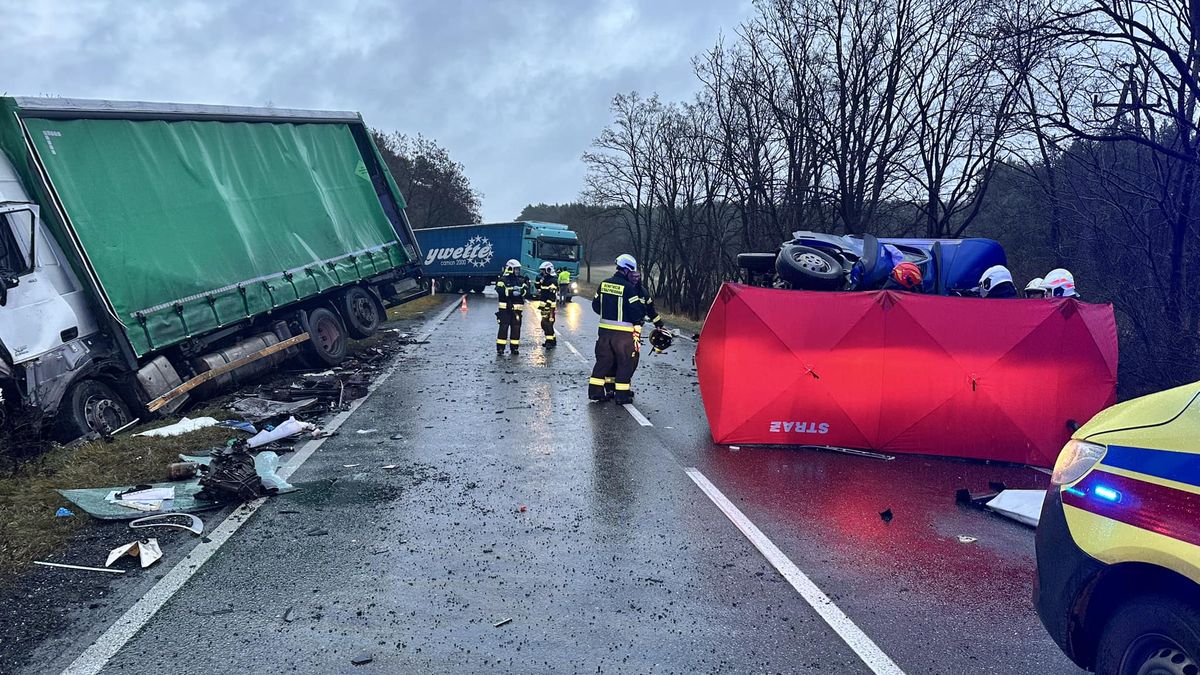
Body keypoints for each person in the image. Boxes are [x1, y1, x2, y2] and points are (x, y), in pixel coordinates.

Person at [588, 254, 663, 403]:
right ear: (627, 270)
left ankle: (596, 393)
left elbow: (595, 306)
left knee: (603, 362)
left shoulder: (604, 284)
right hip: (623, 335)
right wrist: (638, 321)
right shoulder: (629, 288)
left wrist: (609, 314)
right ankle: (621, 396)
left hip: (604, 333)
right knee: (625, 362)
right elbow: (635, 311)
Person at [495, 259, 530, 354]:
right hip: (505, 310)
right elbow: (499, 290)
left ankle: (514, 348)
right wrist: (511, 291)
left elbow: (527, 291)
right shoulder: (502, 280)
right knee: (503, 328)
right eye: (516, 269)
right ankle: (500, 348)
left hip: (517, 311)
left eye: (518, 269)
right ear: (510, 269)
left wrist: (522, 291)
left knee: (516, 329)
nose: (518, 271)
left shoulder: (521, 280)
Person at [535, 261, 559, 348]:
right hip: (544, 306)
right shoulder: (545, 279)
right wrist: (538, 280)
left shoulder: (553, 281)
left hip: (549, 307)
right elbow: (538, 288)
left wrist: (547, 306)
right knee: (544, 323)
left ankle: (550, 341)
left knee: (548, 323)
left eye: (543, 271)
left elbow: (552, 295)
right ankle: (552, 340)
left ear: (548, 270)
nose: (542, 273)